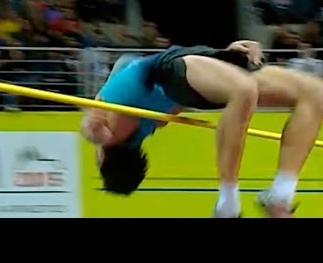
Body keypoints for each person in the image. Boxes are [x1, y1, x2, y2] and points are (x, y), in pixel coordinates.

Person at [80, 41, 323, 218]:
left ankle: (280, 194)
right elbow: (95, 130)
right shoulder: (110, 130)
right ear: (103, 160)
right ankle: (227, 203)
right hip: (176, 69)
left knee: (316, 94)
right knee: (244, 90)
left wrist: (226, 54)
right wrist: (93, 125)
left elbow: (125, 62)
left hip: (200, 65)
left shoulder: (141, 121)